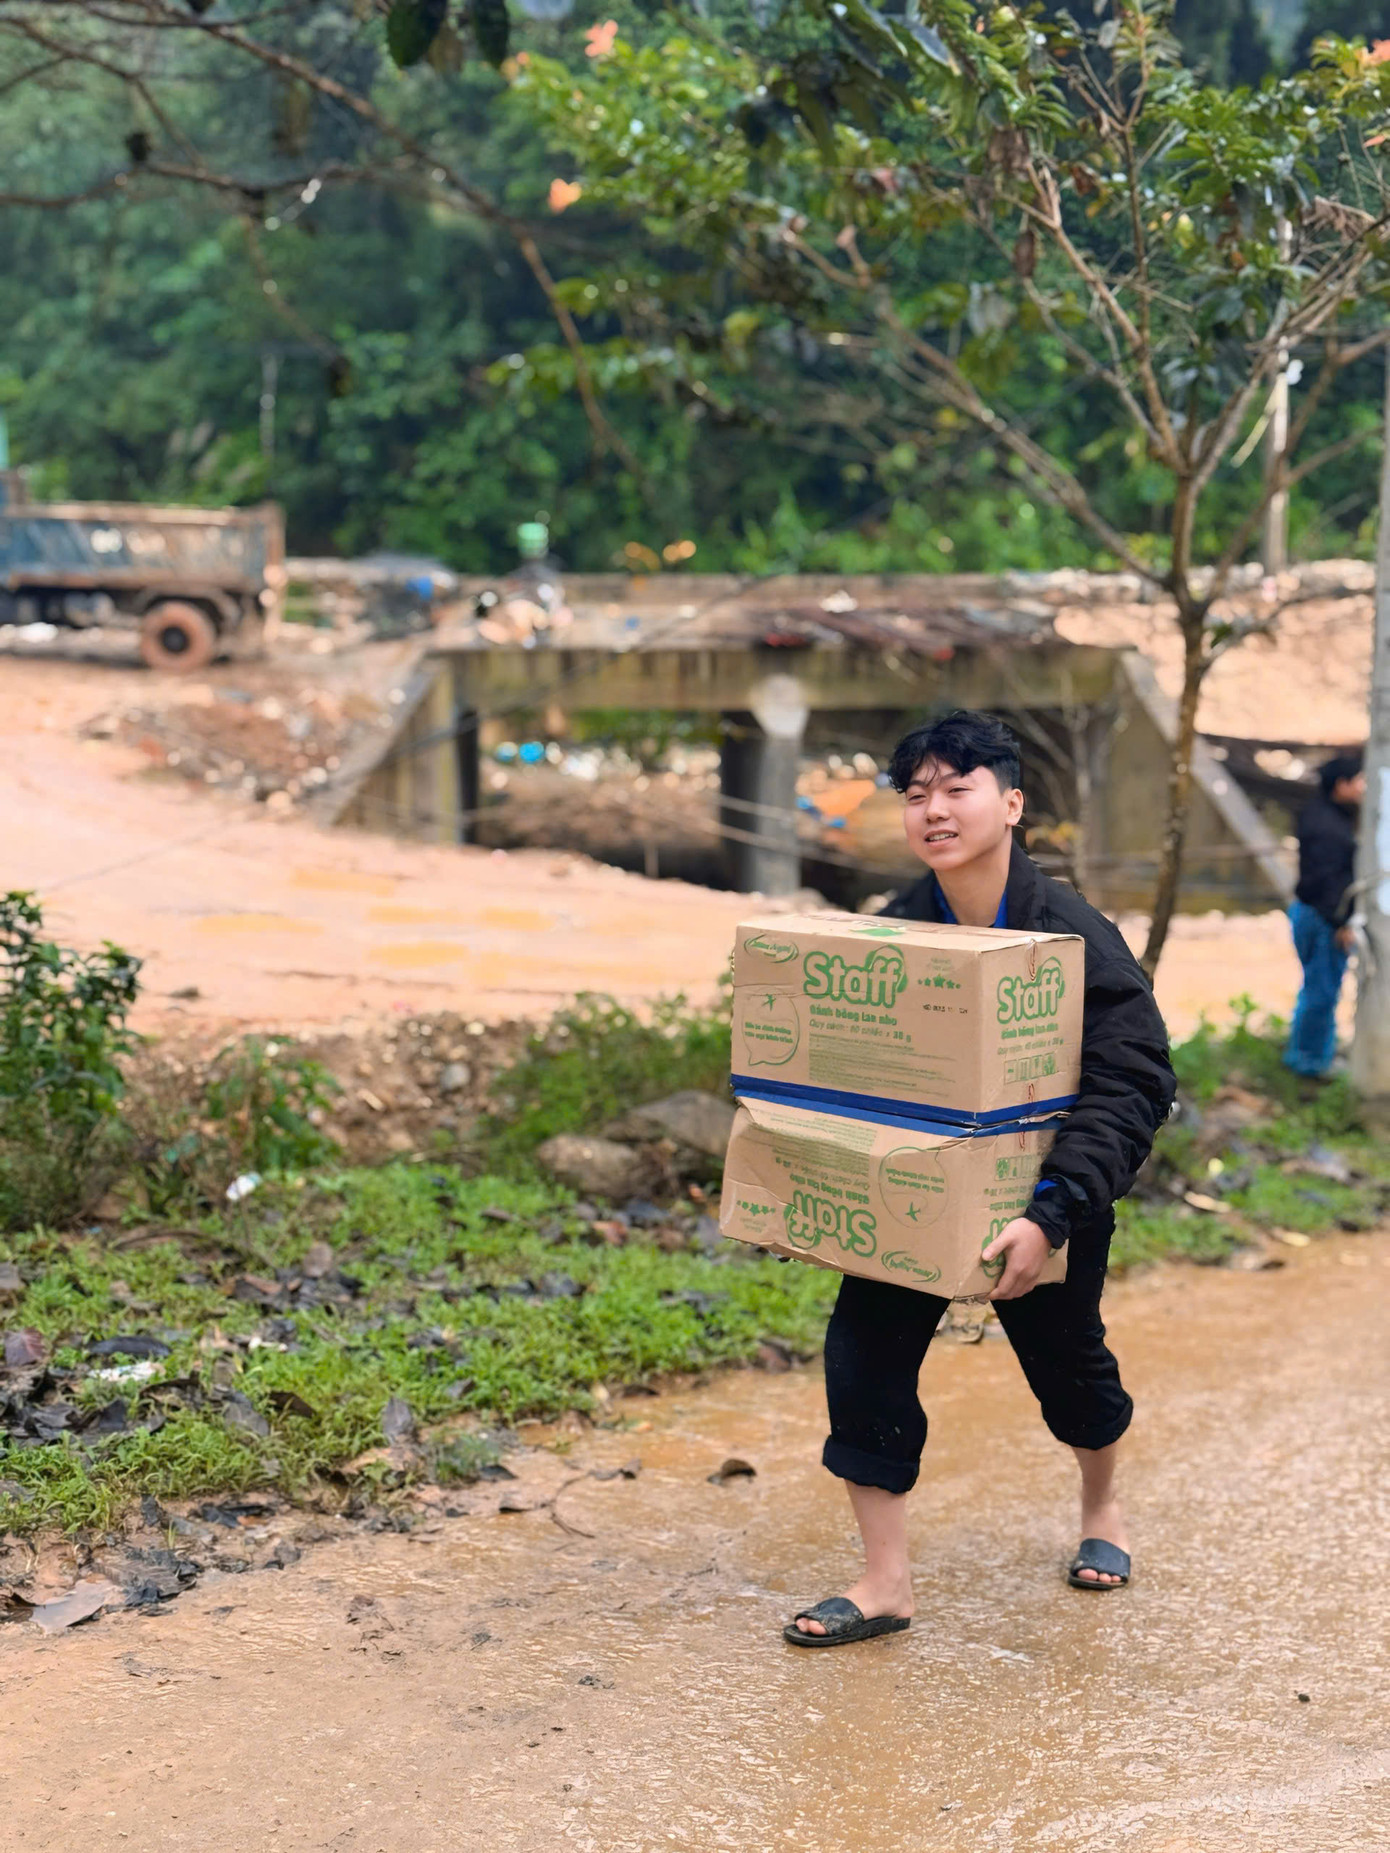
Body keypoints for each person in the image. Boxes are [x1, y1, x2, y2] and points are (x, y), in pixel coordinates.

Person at [785, 710, 1176, 1648]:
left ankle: (1104, 1511)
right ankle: (885, 1581)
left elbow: (1133, 1082)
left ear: (1011, 801)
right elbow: (839, 1075)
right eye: (916, 794)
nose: (934, 809)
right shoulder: (893, 936)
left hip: (1046, 1200)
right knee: (862, 1360)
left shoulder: (1073, 936)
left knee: (1070, 1372)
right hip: (911, 1198)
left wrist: (1052, 1214)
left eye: (956, 787)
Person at [1284, 751, 1365, 1080]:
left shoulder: (1321, 813)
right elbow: (1329, 881)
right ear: (1342, 785)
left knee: (1316, 988)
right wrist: (1341, 922)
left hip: (1308, 912)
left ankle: (1311, 1053)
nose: (1364, 787)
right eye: (1360, 780)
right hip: (1323, 919)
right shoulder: (1330, 828)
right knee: (1321, 992)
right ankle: (1309, 1063)